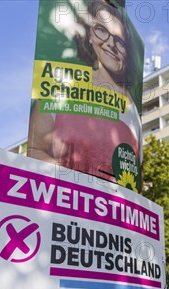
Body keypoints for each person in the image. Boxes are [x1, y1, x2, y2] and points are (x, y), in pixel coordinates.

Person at [28, 0, 141, 184]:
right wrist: (73, 183)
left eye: (119, 41)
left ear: (127, 51)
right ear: (89, 35)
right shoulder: (60, 87)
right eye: (101, 30)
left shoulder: (133, 113)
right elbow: (35, 149)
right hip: (61, 204)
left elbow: (136, 179)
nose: (110, 44)